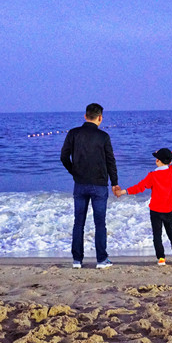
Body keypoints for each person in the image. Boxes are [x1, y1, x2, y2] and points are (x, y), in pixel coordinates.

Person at [60, 103, 120, 269]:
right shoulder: (103, 136)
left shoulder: (73, 133)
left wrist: (74, 172)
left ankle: (77, 260)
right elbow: (110, 161)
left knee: (78, 222)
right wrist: (115, 182)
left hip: (80, 184)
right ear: (100, 118)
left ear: (85, 116)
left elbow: (63, 157)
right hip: (99, 184)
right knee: (99, 222)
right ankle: (101, 259)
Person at [115, 148, 172, 266]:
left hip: (155, 210)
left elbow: (139, 187)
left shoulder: (153, 175)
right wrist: (169, 154)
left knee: (157, 235)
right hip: (168, 209)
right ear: (169, 161)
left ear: (158, 161)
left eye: (157, 158)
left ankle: (161, 258)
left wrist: (123, 192)